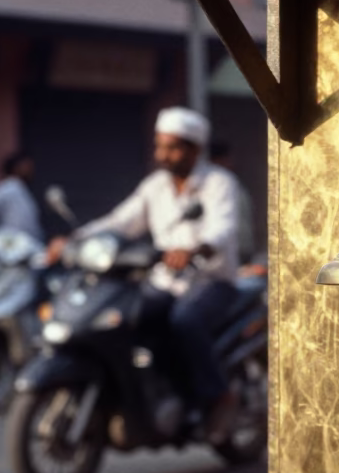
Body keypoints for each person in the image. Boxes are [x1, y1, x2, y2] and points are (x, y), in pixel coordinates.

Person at [50, 108, 240, 439]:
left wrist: (197, 249)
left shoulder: (219, 184)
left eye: (173, 147)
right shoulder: (155, 187)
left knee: (185, 321)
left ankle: (217, 395)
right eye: (160, 146)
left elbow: (223, 227)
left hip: (212, 281)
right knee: (127, 318)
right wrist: (75, 240)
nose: (163, 154)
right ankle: (147, 391)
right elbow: (120, 221)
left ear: (195, 149)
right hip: (164, 281)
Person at [0, 151, 42, 243]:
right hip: (11, 249)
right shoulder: (7, 187)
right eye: (26, 166)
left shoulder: (22, 189)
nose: (30, 170)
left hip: (31, 249)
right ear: (15, 168)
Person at [210, 139, 256, 264]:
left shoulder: (233, 186)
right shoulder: (208, 187)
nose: (230, 163)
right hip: (216, 257)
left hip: (238, 255)